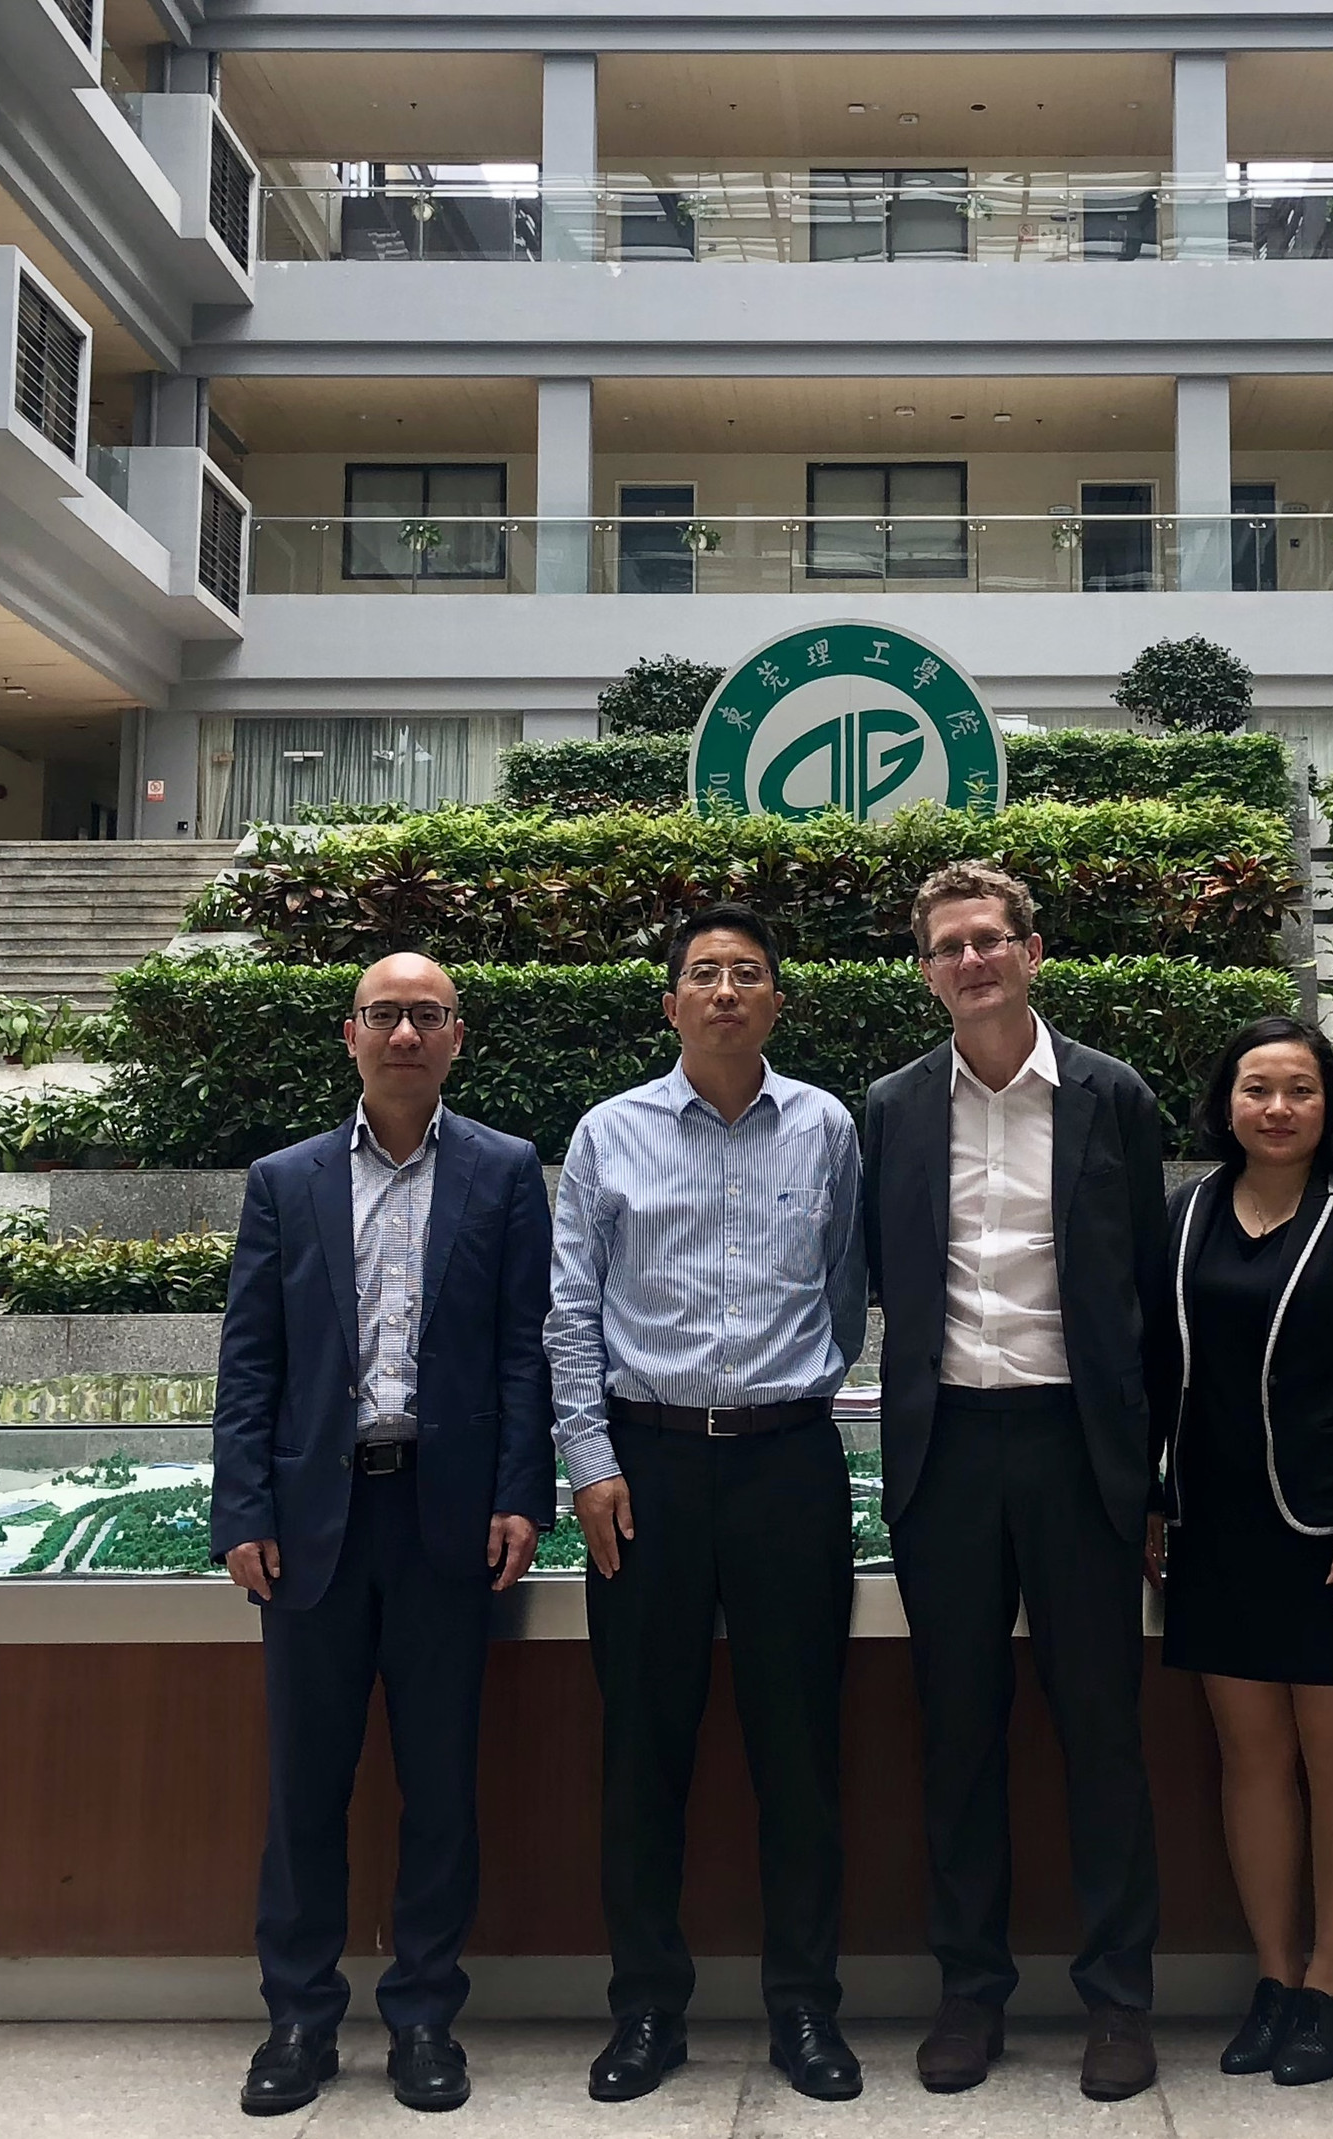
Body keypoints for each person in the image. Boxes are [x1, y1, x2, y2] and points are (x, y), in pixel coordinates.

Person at [211, 952, 556, 2118]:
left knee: (440, 1782)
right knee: (304, 1785)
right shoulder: (285, 1179)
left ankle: (423, 2016)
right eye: (384, 1014)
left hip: (445, 1519)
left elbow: (524, 1348)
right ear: (350, 1032)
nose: (404, 1032)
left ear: (458, 1034)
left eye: (426, 1014)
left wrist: (522, 1492)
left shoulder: (504, 1171)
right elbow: (250, 1357)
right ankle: (298, 2018)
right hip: (314, 1523)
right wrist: (242, 1506)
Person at [547, 902, 870, 2105]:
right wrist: (590, 1460)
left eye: (746, 972)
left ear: (777, 999)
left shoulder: (826, 1125)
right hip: (647, 1467)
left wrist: (793, 1396)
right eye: (703, 973)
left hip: (789, 1464)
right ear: (671, 1001)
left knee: (801, 1749)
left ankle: (806, 2006)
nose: (725, 990)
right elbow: (569, 1310)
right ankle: (646, 2008)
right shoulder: (608, 1131)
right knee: (643, 1749)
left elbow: (847, 1288)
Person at [859, 860, 1168, 2103]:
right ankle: (969, 1991)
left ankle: (1118, 1998)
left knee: (1101, 1731)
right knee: (957, 1731)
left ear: (1032, 951)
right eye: (949, 947)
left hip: (1075, 1447)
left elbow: (1148, 1292)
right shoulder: (892, 1105)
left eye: (989, 939)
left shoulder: (1111, 1093)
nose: (972, 960)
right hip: (946, 1453)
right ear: (926, 971)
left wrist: (1150, 1477)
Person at [1149, 1014, 1333, 2088]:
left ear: (1328, 1106)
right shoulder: (1186, 1214)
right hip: (1214, 1527)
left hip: (1330, 1535)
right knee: (1250, 1754)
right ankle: (1272, 1977)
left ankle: (1329, 1981)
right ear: (1225, 1103)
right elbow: (1156, 1365)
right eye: (1255, 1088)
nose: (1276, 1108)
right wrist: (1153, 1499)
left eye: (1299, 1090)